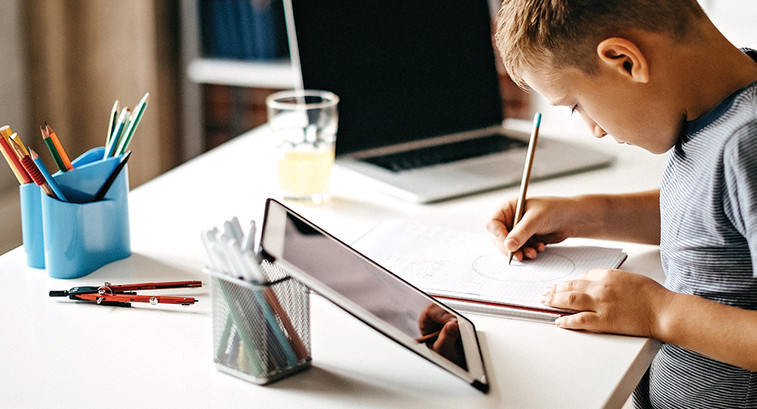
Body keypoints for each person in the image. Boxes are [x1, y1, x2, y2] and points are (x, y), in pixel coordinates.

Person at [487, 0, 757, 407]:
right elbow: (714, 218)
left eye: (576, 106)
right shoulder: (714, 106)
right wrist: (589, 213)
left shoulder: (749, 143)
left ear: (625, 61)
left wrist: (658, 312)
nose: (594, 131)